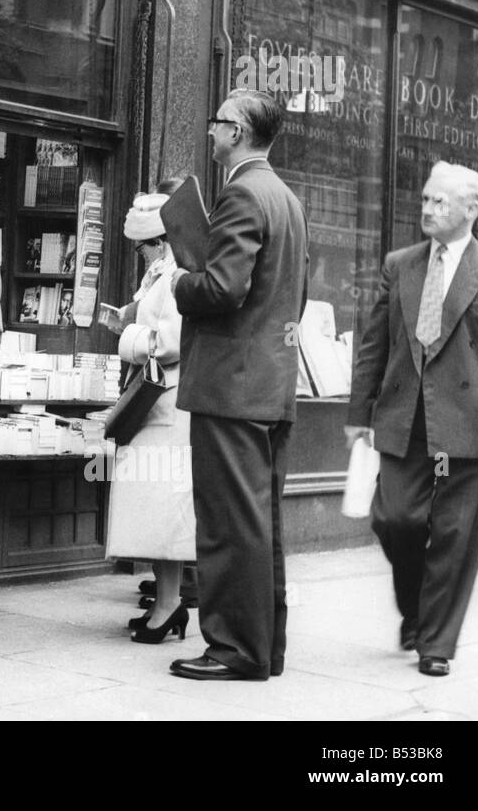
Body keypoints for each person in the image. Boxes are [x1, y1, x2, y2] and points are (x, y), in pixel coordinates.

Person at [167, 88, 309, 681]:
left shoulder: (243, 192)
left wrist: (177, 281)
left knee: (228, 523)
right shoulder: (285, 197)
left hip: (233, 384)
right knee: (259, 523)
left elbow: (223, 289)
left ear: (241, 133)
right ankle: (261, 647)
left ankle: (234, 650)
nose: (210, 131)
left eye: (218, 122)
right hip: (268, 382)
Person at [346, 161, 478, 677]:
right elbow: (374, 343)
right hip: (403, 416)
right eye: (426, 199)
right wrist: (358, 411)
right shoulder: (399, 264)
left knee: (455, 537)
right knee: (394, 520)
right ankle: (415, 609)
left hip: (468, 425)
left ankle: (436, 644)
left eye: (439, 202)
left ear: (473, 209)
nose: (426, 209)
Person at [104, 186, 197, 644]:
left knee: (164, 511)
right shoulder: (161, 275)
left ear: (159, 241)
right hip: (158, 406)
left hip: (166, 406)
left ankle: (169, 606)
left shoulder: (175, 276)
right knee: (158, 511)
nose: (138, 253)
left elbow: (170, 341)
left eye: (141, 245)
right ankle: (167, 602)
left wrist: (129, 334)